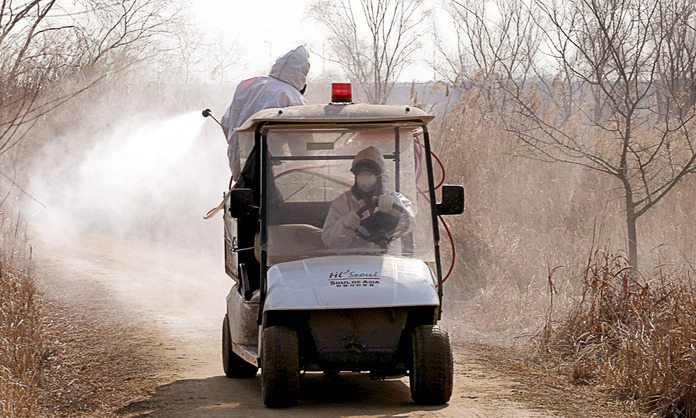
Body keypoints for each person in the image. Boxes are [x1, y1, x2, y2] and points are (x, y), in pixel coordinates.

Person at [221, 45, 310, 179]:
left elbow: (226, 124)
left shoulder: (248, 85)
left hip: (239, 167)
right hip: (270, 173)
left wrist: (238, 153)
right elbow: (301, 145)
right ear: (302, 72)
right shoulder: (292, 97)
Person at [322, 146, 415, 250]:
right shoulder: (342, 203)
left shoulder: (395, 198)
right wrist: (343, 225)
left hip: (388, 261)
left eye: (369, 172)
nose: (364, 177)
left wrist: (395, 207)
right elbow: (329, 242)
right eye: (360, 173)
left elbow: (410, 223)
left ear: (379, 175)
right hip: (353, 262)